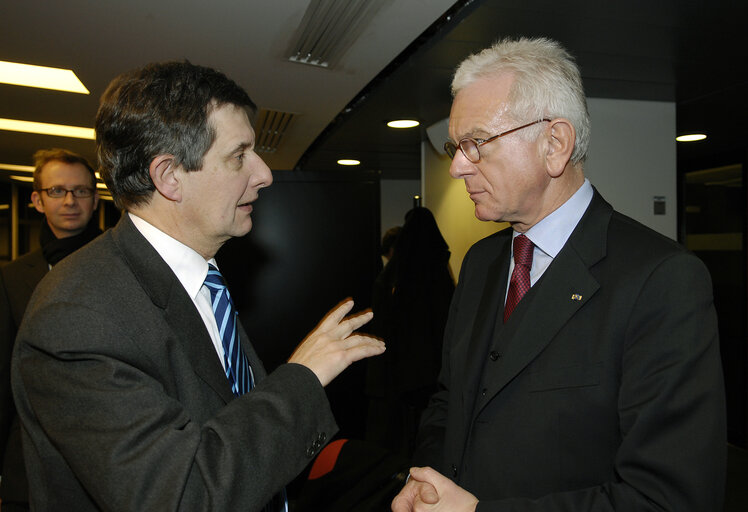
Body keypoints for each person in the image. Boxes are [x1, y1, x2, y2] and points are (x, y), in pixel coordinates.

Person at [10, 61, 385, 511]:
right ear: (169, 176)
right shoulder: (77, 315)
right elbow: (181, 494)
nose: (264, 174)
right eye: (239, 155)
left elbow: (228, 429)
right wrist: (303, 377)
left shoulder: (200, 277)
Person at [391, 37, 726, 511]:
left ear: (555, 144)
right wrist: (427, 481)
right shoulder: (482, 263)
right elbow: (450, 402)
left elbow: (669, 497)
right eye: (456, 146)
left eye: (477, 143)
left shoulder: (661, 280)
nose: (458, 167)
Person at [0, 148, 101, 511]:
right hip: (28, 459)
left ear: (94, 199)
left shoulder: (122, 265)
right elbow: (5, 370)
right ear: (37, 201)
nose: (70, 201)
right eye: (57, 191)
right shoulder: (12, 276)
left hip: (104, 453)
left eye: (81, 191)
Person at [366, 207, 454, 459]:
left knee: (398, 439)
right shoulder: (439, 270)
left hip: (396, 373)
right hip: (434, 372)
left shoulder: (393, 277)